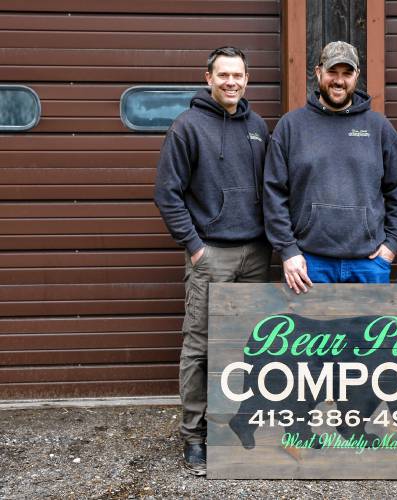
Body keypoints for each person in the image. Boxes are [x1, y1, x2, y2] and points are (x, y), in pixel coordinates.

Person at [153, 46, 271, 475]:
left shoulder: (257, 127)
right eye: (223, 75)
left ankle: (240, 429)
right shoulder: (187, 127)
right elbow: (167, 193)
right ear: (207, 78)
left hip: (257, 255)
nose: (231, 82)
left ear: (247, 79)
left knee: (252, 348)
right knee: (201, 348)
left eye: (238, 75)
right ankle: (195, 436)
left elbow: (272, 188)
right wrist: (195, 246)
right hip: (211, 255)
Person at [264, 41, 397, 291]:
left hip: (369, 263)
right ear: (319, 72)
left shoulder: (379, 128)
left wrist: (391, 245)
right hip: (308, 264)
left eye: (347, 73)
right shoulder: (291, 126)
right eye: (332, 72)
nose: (339, 80)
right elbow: (273, 193)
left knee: (370, 331)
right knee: (308, 330)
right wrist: (288, 251)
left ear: (357, 76)